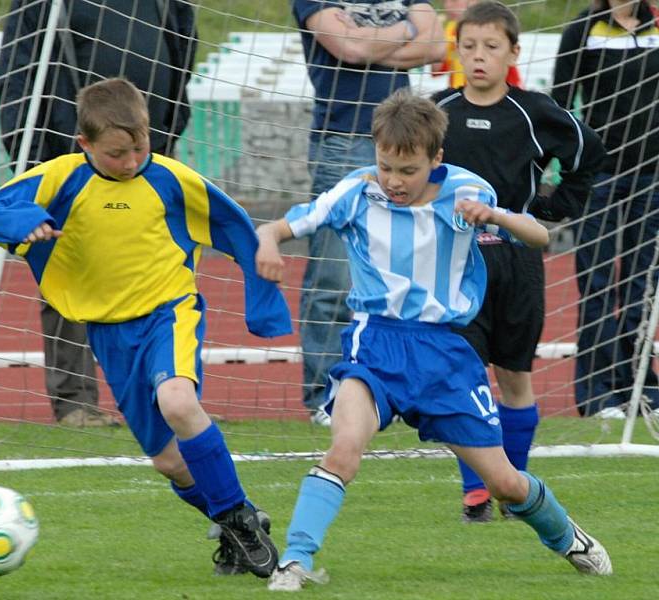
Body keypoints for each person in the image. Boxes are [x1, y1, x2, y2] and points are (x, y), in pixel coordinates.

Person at [255, 91, 612, 592]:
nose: (394, 182)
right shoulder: (356, 191)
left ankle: (568, 539)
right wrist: (269, 244)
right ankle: (295, 561)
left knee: (505, 484)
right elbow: (277, 227)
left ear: (436, 159)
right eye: (386, 167)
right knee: (343, 450)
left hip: (444, 354)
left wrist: (497, 218)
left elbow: (539, 237)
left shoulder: (470, 191)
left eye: (408, 170)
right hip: (374, 345)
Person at [0, 77, 290, 578]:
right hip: (108, 332)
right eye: (117, 153)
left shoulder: (170, 178)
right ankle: (238, 519)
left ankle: (239, 523)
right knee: (170, 463)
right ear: (86, 145)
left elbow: (235, 227)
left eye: (139, 146)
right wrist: (24, 224)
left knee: (179, 402)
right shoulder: (62, 178)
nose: (131, 161)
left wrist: (264, 306)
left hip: (169, 312)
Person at [432, 1, 606, 522]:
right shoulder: (437, 113)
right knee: (463, 376)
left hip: (518, 261)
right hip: (456, 265)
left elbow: (588, 155)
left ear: (513, 51)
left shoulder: (535, 112)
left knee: (514, 377)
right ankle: (477, 491)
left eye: (491, 47)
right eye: (469, 46)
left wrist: (552, 207)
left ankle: (516, 489)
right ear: (456, 50)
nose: (479, 57)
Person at [0, 0, 197, 427]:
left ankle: (162, 391)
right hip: (69, 160)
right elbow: (17, 67)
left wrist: (171, 125)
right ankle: (75, 402)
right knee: (70, 272)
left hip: (149, 157)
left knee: (157, 270)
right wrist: (28, 158)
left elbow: (183, 44)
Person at [292, 0, 445, 426]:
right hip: (342, 142)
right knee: (334, 275)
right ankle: (327, 395)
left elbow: (435, 45)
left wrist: (368, 42)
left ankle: (388, 389)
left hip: (401, 143)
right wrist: (404, 33)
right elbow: (348, 49)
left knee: (401, 270)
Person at [552, 0, 659, 418]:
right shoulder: (582, 30)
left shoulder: (656, 26)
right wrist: (563, 170)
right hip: (598, 179)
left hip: (650, 178)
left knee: (641, 286)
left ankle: (636, 388)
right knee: (595, 283)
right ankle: (595, 394)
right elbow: (559, 104)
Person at [431, 0, 521, 87]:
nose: (447, 5)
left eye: (454, 0)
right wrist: (435, 33)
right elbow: (437, 70)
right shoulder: (449, 30)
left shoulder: (494, 27)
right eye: (468, 46)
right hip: (461, 95)